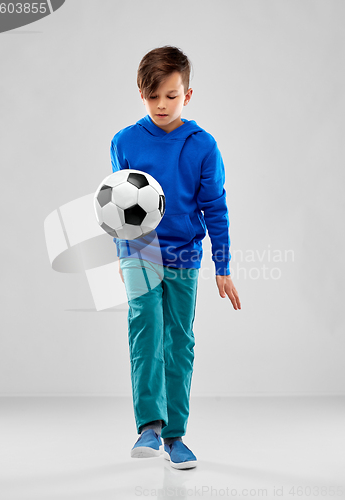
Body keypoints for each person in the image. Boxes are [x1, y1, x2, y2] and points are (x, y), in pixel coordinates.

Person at [110, 46, 241, 470]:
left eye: (171, 95)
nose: (162, 105)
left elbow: (215, 207)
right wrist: (121, 252)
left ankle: (175, 436)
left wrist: (222, 267)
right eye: (153, 97)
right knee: (145, 328)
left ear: (188, 94)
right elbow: (116, 206)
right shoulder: (125, 142)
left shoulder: (203, 146)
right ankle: (148, 425)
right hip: (140, 251)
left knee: (179, 341)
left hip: (184, 253)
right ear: (141, 94)